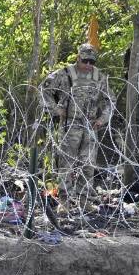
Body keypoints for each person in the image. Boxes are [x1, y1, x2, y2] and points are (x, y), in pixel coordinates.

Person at [39, 44, 114, 206]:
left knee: (88, 164)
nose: (88, 65)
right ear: (78, 58)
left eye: (91, 62)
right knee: (66, 164)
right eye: (85, 61)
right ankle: (64, 202)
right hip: (69, 125)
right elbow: (45, 90)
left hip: (90, 126)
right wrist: (55, 109)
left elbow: (110, 101)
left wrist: (102, 119)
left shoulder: (99, 77)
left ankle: (84, 201)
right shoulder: (65, 74)